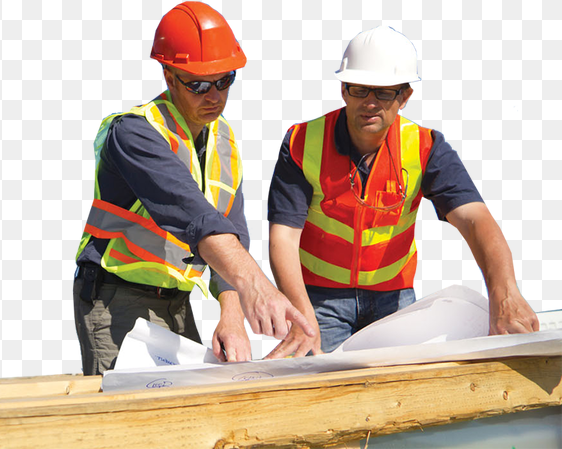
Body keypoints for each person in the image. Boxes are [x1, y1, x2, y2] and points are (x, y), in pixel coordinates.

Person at [265, 25, 540, 357]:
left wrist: (505, 293)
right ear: (343, 90)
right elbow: (283, 237)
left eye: (383, 92)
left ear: (404, 97)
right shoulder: (301, 142)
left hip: (393, 300)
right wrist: (301, 313)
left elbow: (474, 219)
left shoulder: (425, 148)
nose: (369, 103)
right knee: (321, 392)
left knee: (401, 394)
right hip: (318, 299)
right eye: (359, 89)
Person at [73, 1, 314, 376]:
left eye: (224, 80)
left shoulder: (223, 139)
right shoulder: (135, 133)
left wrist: (231, 313)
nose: (214, 95)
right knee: (127, 418)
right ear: (169, 78)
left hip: (176, 300)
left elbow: (230, 230)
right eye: (199, 84)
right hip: (115, 295)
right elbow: (196, 217)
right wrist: (257, 286)